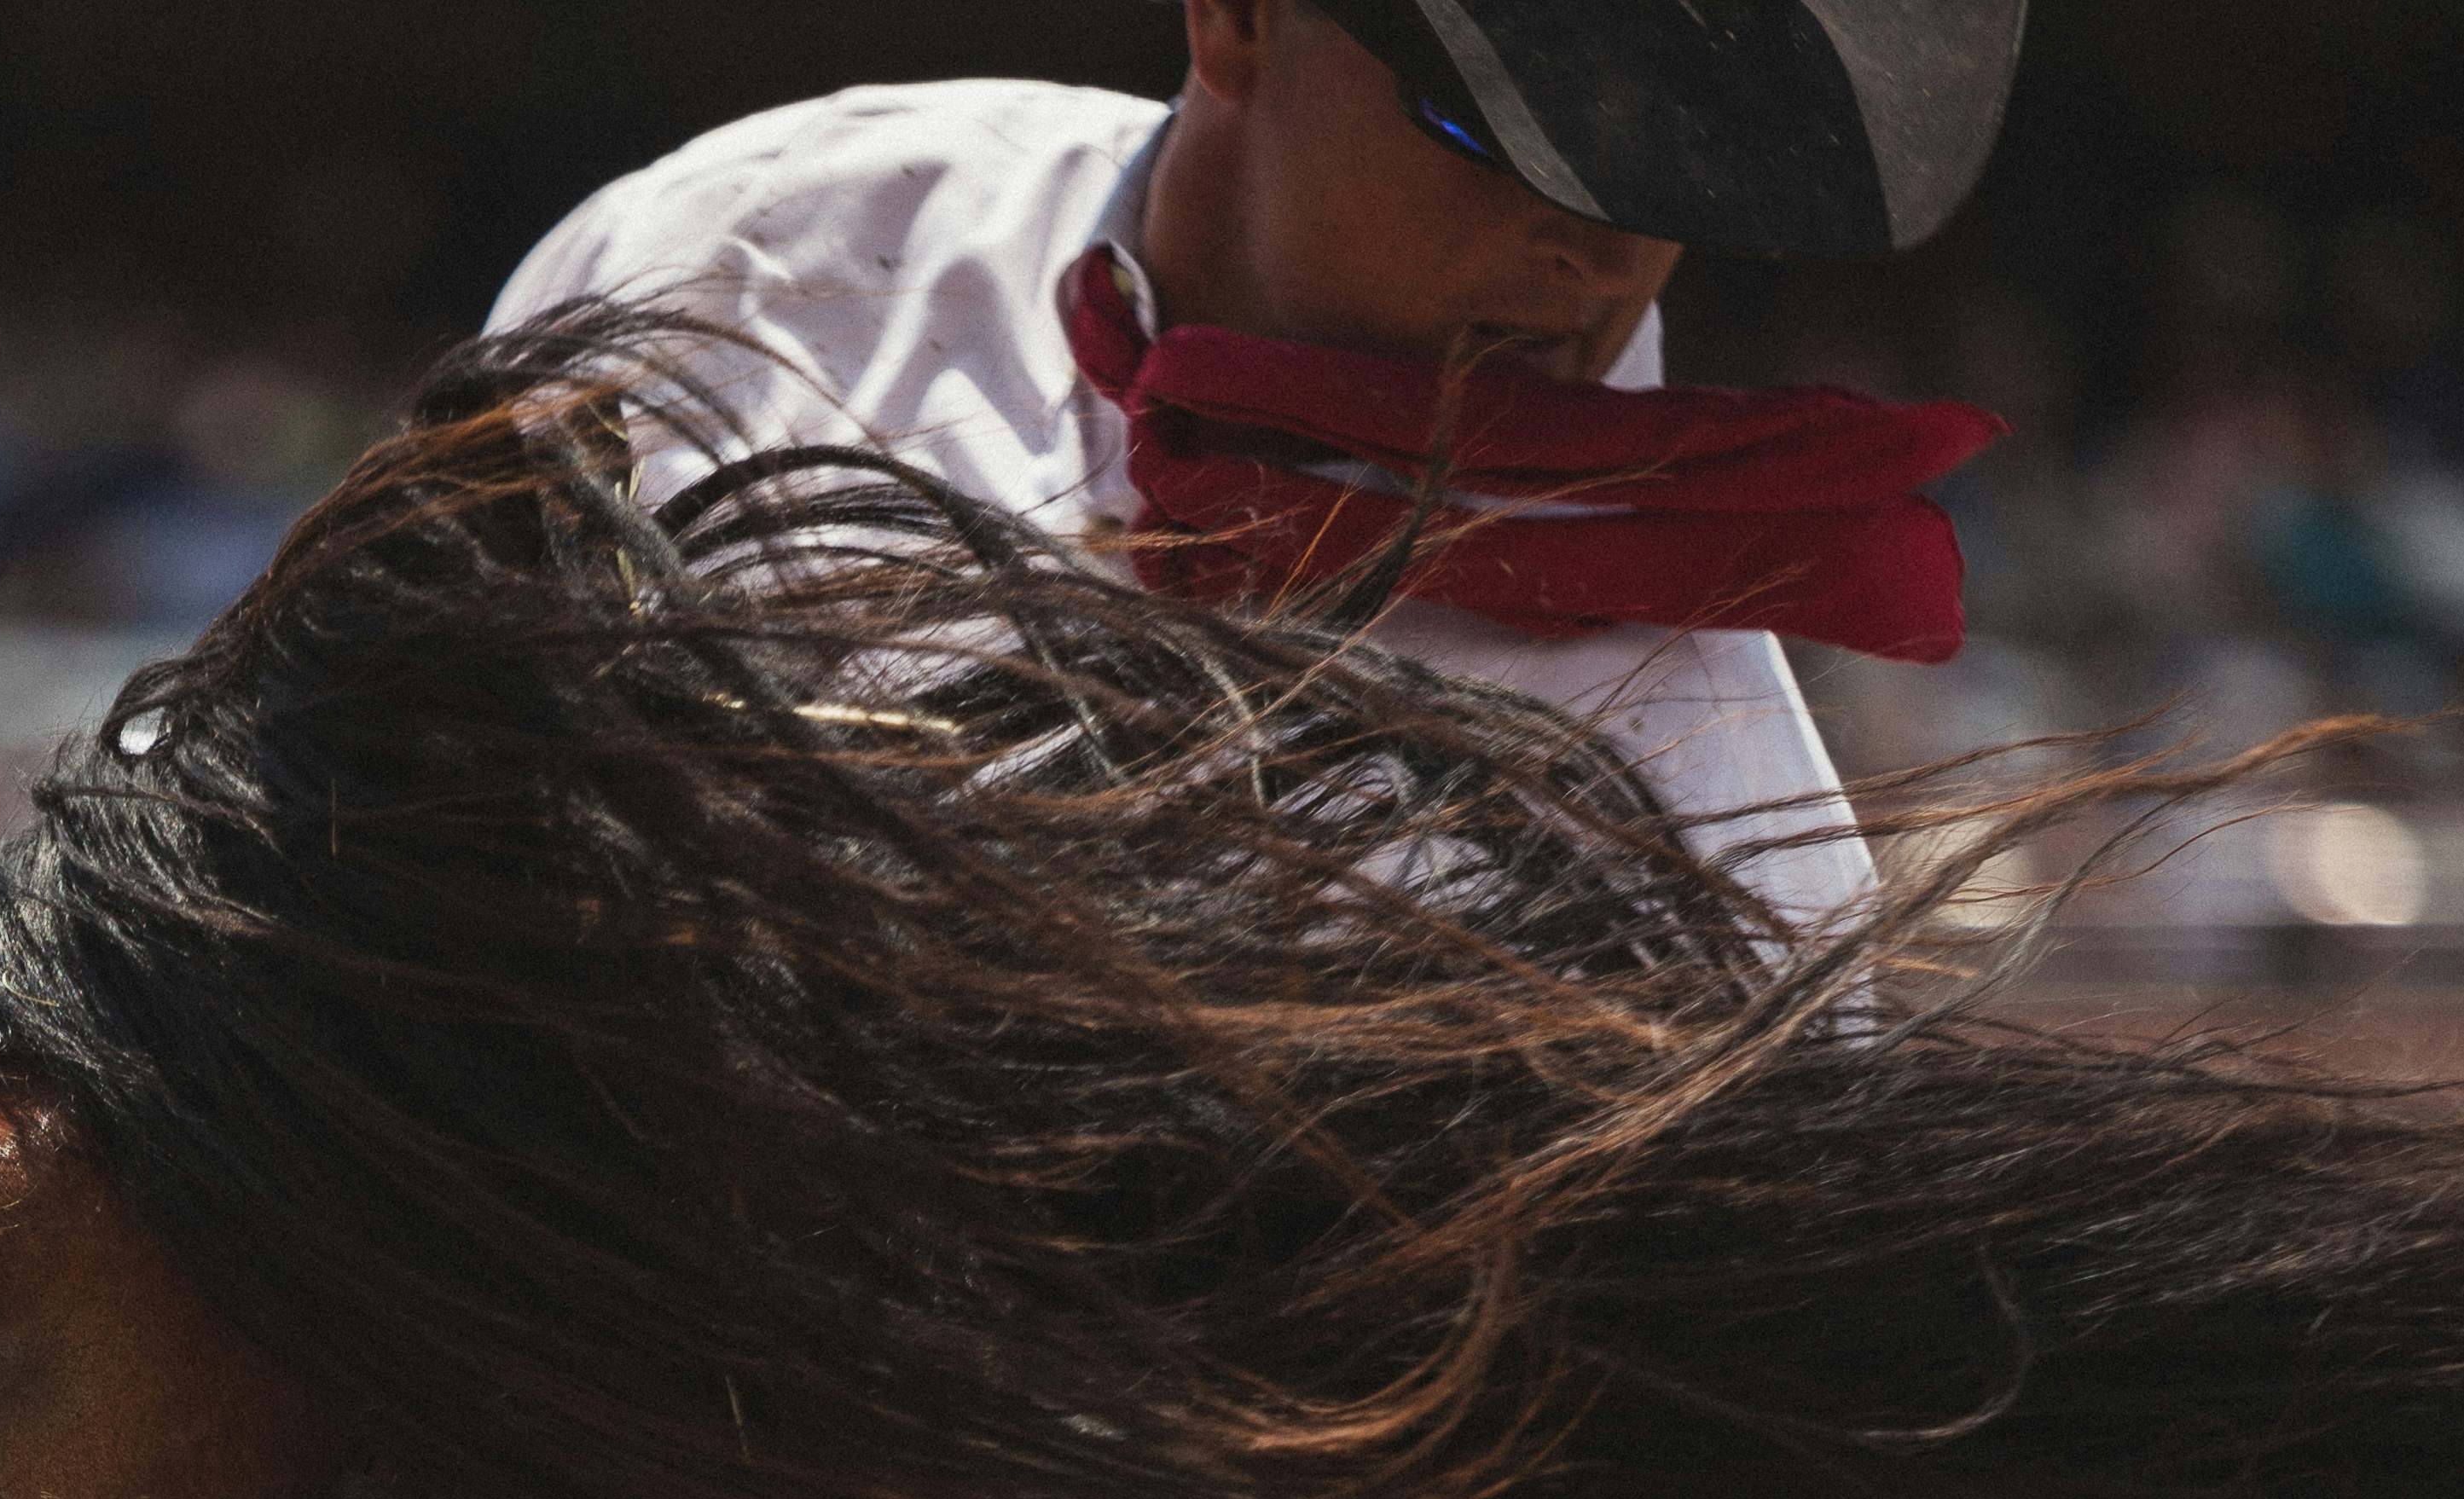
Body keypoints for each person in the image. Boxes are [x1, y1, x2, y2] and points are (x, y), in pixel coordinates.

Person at [495, 0, 2032, 928]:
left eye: (1671, 175)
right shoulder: (732, 263)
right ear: (1235, 15)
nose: (1600, 258)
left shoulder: (1704, 835)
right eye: (1497, 135)